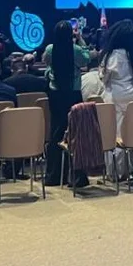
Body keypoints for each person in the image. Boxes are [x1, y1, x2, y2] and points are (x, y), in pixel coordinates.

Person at [43, 21, 90, 186]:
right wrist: (81, 40)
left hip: (55, 95)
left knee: (56, 133)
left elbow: (46, 62)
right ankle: (77, 177)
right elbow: (86, 60)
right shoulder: (76, 50)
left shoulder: (50, 49)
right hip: (73, 94)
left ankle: (53, 176)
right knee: (76, 134)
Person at [99, 20, 133, 177]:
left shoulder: (113, 55)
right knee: (131, 135)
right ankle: (131, 169)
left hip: (116, 97)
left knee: (115, 136)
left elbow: (104, 77)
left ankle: (116, 172)